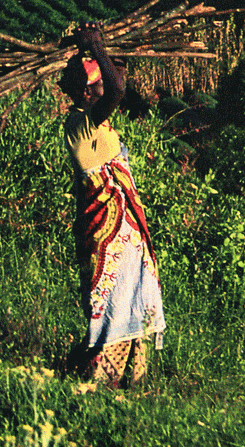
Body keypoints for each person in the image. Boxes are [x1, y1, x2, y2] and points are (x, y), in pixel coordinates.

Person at [61, 22, 164, 388]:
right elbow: (118, 90)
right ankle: (102, 375)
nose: (107, 86)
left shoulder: (98, 126)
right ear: (88, 94)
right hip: (107, 232)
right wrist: (95, 47)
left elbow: (117, 82)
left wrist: (93, 50)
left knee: (131, 293)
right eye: (99, 84)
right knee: (112, 296)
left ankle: (129, 377)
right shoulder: (80, 125)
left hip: (124, 230)